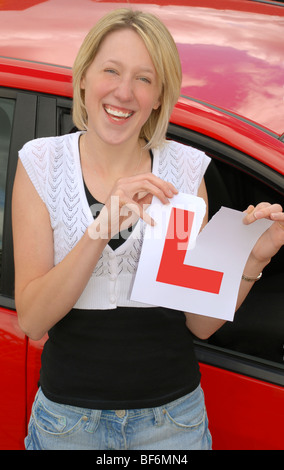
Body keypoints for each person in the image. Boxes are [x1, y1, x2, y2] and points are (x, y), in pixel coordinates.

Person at [12, 9, 284, 451]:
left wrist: (254, 258)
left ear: (159, 96)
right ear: (84, 78)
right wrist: (99, 230)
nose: (124, 92)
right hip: (68, 425)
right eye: (111, 71)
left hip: (172, 422)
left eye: (144, 78)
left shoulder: (184, 170)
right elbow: (33, 318)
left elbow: (199, 322)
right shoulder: (42, 165)